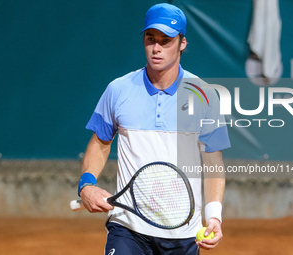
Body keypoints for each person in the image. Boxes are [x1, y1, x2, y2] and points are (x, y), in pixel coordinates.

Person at [78, 3, 230, 254]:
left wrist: (214, 215)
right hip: (128, 228)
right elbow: (100, 143)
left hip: (183, 233)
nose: (156, 48)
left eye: (166, 40)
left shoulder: (205, 95)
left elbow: (213, 160)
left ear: (182, 43)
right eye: (151, 39)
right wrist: (86, 185)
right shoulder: (118, 89)